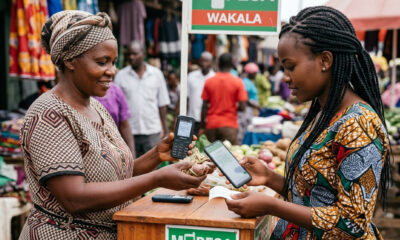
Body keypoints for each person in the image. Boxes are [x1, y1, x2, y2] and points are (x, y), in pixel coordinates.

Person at [19, 11, 207, 239]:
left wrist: (156, 156)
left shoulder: (96, 107)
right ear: (69, 60)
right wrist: (157, 178)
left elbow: (113, 177)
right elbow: (73, 198)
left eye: (114, 62)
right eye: (102, 62)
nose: (112, 71)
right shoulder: (50, 113)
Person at [225, 6, 391, 239]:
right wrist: (269, 178)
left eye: (290, 66)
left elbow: (352, 224)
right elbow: (314, 195)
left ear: (325, 60)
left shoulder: (358, 124)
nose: (285, 76)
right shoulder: (323, 114)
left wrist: (271, 206)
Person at [115, 41, 170, 157]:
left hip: (152, 132)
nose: (131, 57)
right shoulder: (121, 76)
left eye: (135, 54)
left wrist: (165, 129)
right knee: (132, 168)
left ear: (144, 54)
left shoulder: (156, 74)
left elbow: (162, 104)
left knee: (152, 169)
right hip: (129, 133)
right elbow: (116, 107)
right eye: (129, 54)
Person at [200, 53, 247, 145]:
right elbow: (243, 106)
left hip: (211, 125)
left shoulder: (209, 81)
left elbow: (204, 107)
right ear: (231, 65)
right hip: (229, 125)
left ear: (218, 64)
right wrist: (231, 107)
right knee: (231, 155)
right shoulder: (238, 82)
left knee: (209, 157)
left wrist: (203, 126)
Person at [93, 82, 135, 157]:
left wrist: (132, 155)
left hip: (115, 148)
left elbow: (124, 125)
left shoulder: (114, 90)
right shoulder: (77, 93)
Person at [187, 51, 215, 136]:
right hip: (192, 118)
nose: (204, 63)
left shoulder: (214, 78)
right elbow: (186, 97)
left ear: (211, 63)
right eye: (202, 61)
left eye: (206, 61)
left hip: (208, 120)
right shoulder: (191, 76)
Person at [238, 62, 261, 143]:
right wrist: (256, 105)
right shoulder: (246, 82)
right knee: (244, 128)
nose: (255, 75)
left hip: (250, 109)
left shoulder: (248, 82)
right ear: (250, 73)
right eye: (254, 73)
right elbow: (245, 98)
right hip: (246, 110)